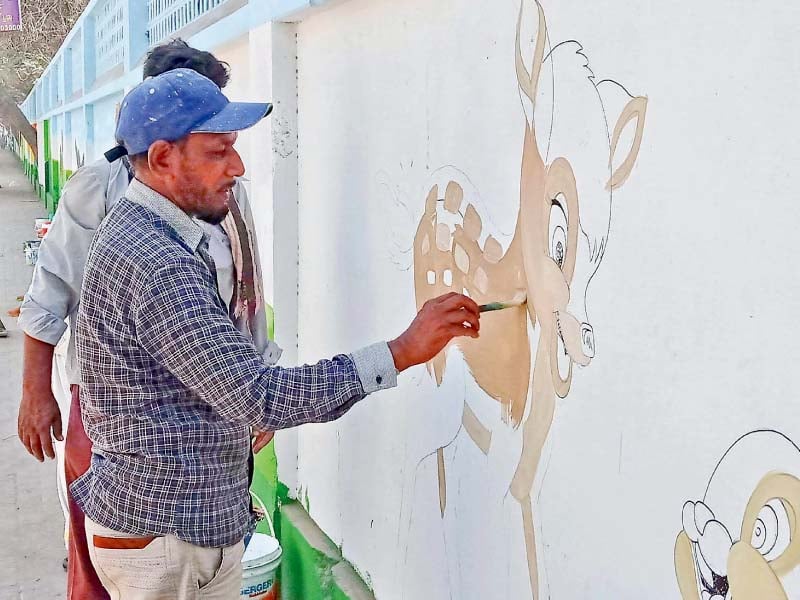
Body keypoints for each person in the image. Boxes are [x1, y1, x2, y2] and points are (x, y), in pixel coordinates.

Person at [75, 68, 480, 599]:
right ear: (162, 159)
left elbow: (221, 386)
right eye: (219, 152)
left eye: (234, 149)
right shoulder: (154, 260)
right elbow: (256, 399)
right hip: (167, 542)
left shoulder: (164, 235)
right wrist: (400, 353)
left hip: (182, 532)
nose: (238, 168)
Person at [16, 40, 275, 600]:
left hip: (213, 395)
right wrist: (38, 390)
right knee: (103, 553)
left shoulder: (221, 189)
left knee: (204, 551)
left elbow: (248, 293)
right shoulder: (104, 189)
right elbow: (50, 291)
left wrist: (255, 388)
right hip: (115, 401)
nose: (228, 155)